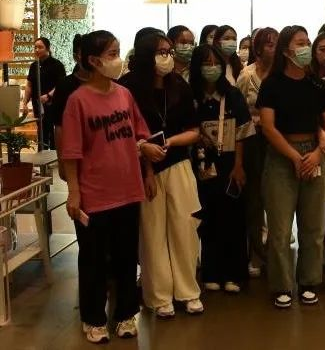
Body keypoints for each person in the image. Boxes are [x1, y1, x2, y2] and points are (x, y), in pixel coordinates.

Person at [61, 30, 153, 343]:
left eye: (117, 51)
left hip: (128, 190)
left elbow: (140, 134)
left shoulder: (124, 95)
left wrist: (148, 167)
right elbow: (71, 152)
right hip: (95, 195)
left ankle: (126, 314)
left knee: (127, 257)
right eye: (111, 54)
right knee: (94, 260)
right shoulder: (78, 101)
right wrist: (74, 192)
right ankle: (93, 318)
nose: (117, 59)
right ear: (93, 60)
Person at [119, 33, 203, 318]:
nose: (167, 57)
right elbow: (125, 134)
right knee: (152, 232)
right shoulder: (127, 89)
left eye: (169, 51)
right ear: (146, 55)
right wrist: (145, 155)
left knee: (185, 227)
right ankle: (158, 296)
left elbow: (194, 131)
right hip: (143, 169)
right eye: (161, 52)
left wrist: (170, 143)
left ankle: (188, 291)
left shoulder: (179, 85)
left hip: (178, 164)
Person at [256, 25, 325, 309]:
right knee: (279, 227)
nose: (305, 48)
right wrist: (293, 156)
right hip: (281, 156)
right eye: (300, 43)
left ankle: (309, 281)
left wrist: (316, 153)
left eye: (307, 42)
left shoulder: (316, 84)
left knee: (313, 225)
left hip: (313, 153)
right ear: (286, 49)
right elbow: (268, 126)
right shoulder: (272, 84)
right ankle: (281, 285)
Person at [190, 44, 255, 294]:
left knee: (233, 219)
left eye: (216, 63)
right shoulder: (191, 97)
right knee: (208, 220)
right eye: (206, 64)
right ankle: (211, 272)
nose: (212, 68)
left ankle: (234, 274)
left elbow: (242, 133)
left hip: (229, 165)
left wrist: (239, 165)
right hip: (202, 166)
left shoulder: (232, 95)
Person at [236, 27, 279, 278]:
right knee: (254, 199)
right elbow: (239, 113)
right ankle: (256, 252)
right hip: (253, 141)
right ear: (258, 48)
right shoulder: (246, 75)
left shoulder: (282, 74)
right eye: (268, 44)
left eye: (276, 44)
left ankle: (275, 252)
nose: (273, 49)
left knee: (276, 199)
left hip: (278, 141)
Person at [52, 34, 87, 181]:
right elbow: (59, 126)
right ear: (76, 56)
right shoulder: (65, 86)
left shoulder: (110, 84)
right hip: (76, 154)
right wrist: (62, 162)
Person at [23, 37, 66, 149]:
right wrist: (25, 102)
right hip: (38, 103)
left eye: (40, 47)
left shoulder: (57, 65)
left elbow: (61, 85)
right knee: (41, 130)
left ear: (47, 48)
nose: (37, 50)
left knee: (52, 131)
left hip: (52, 103)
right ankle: (41, 153)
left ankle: (54, 156)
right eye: (35, 47)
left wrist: (48, 96)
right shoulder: (33, 66)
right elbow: (29, 85)